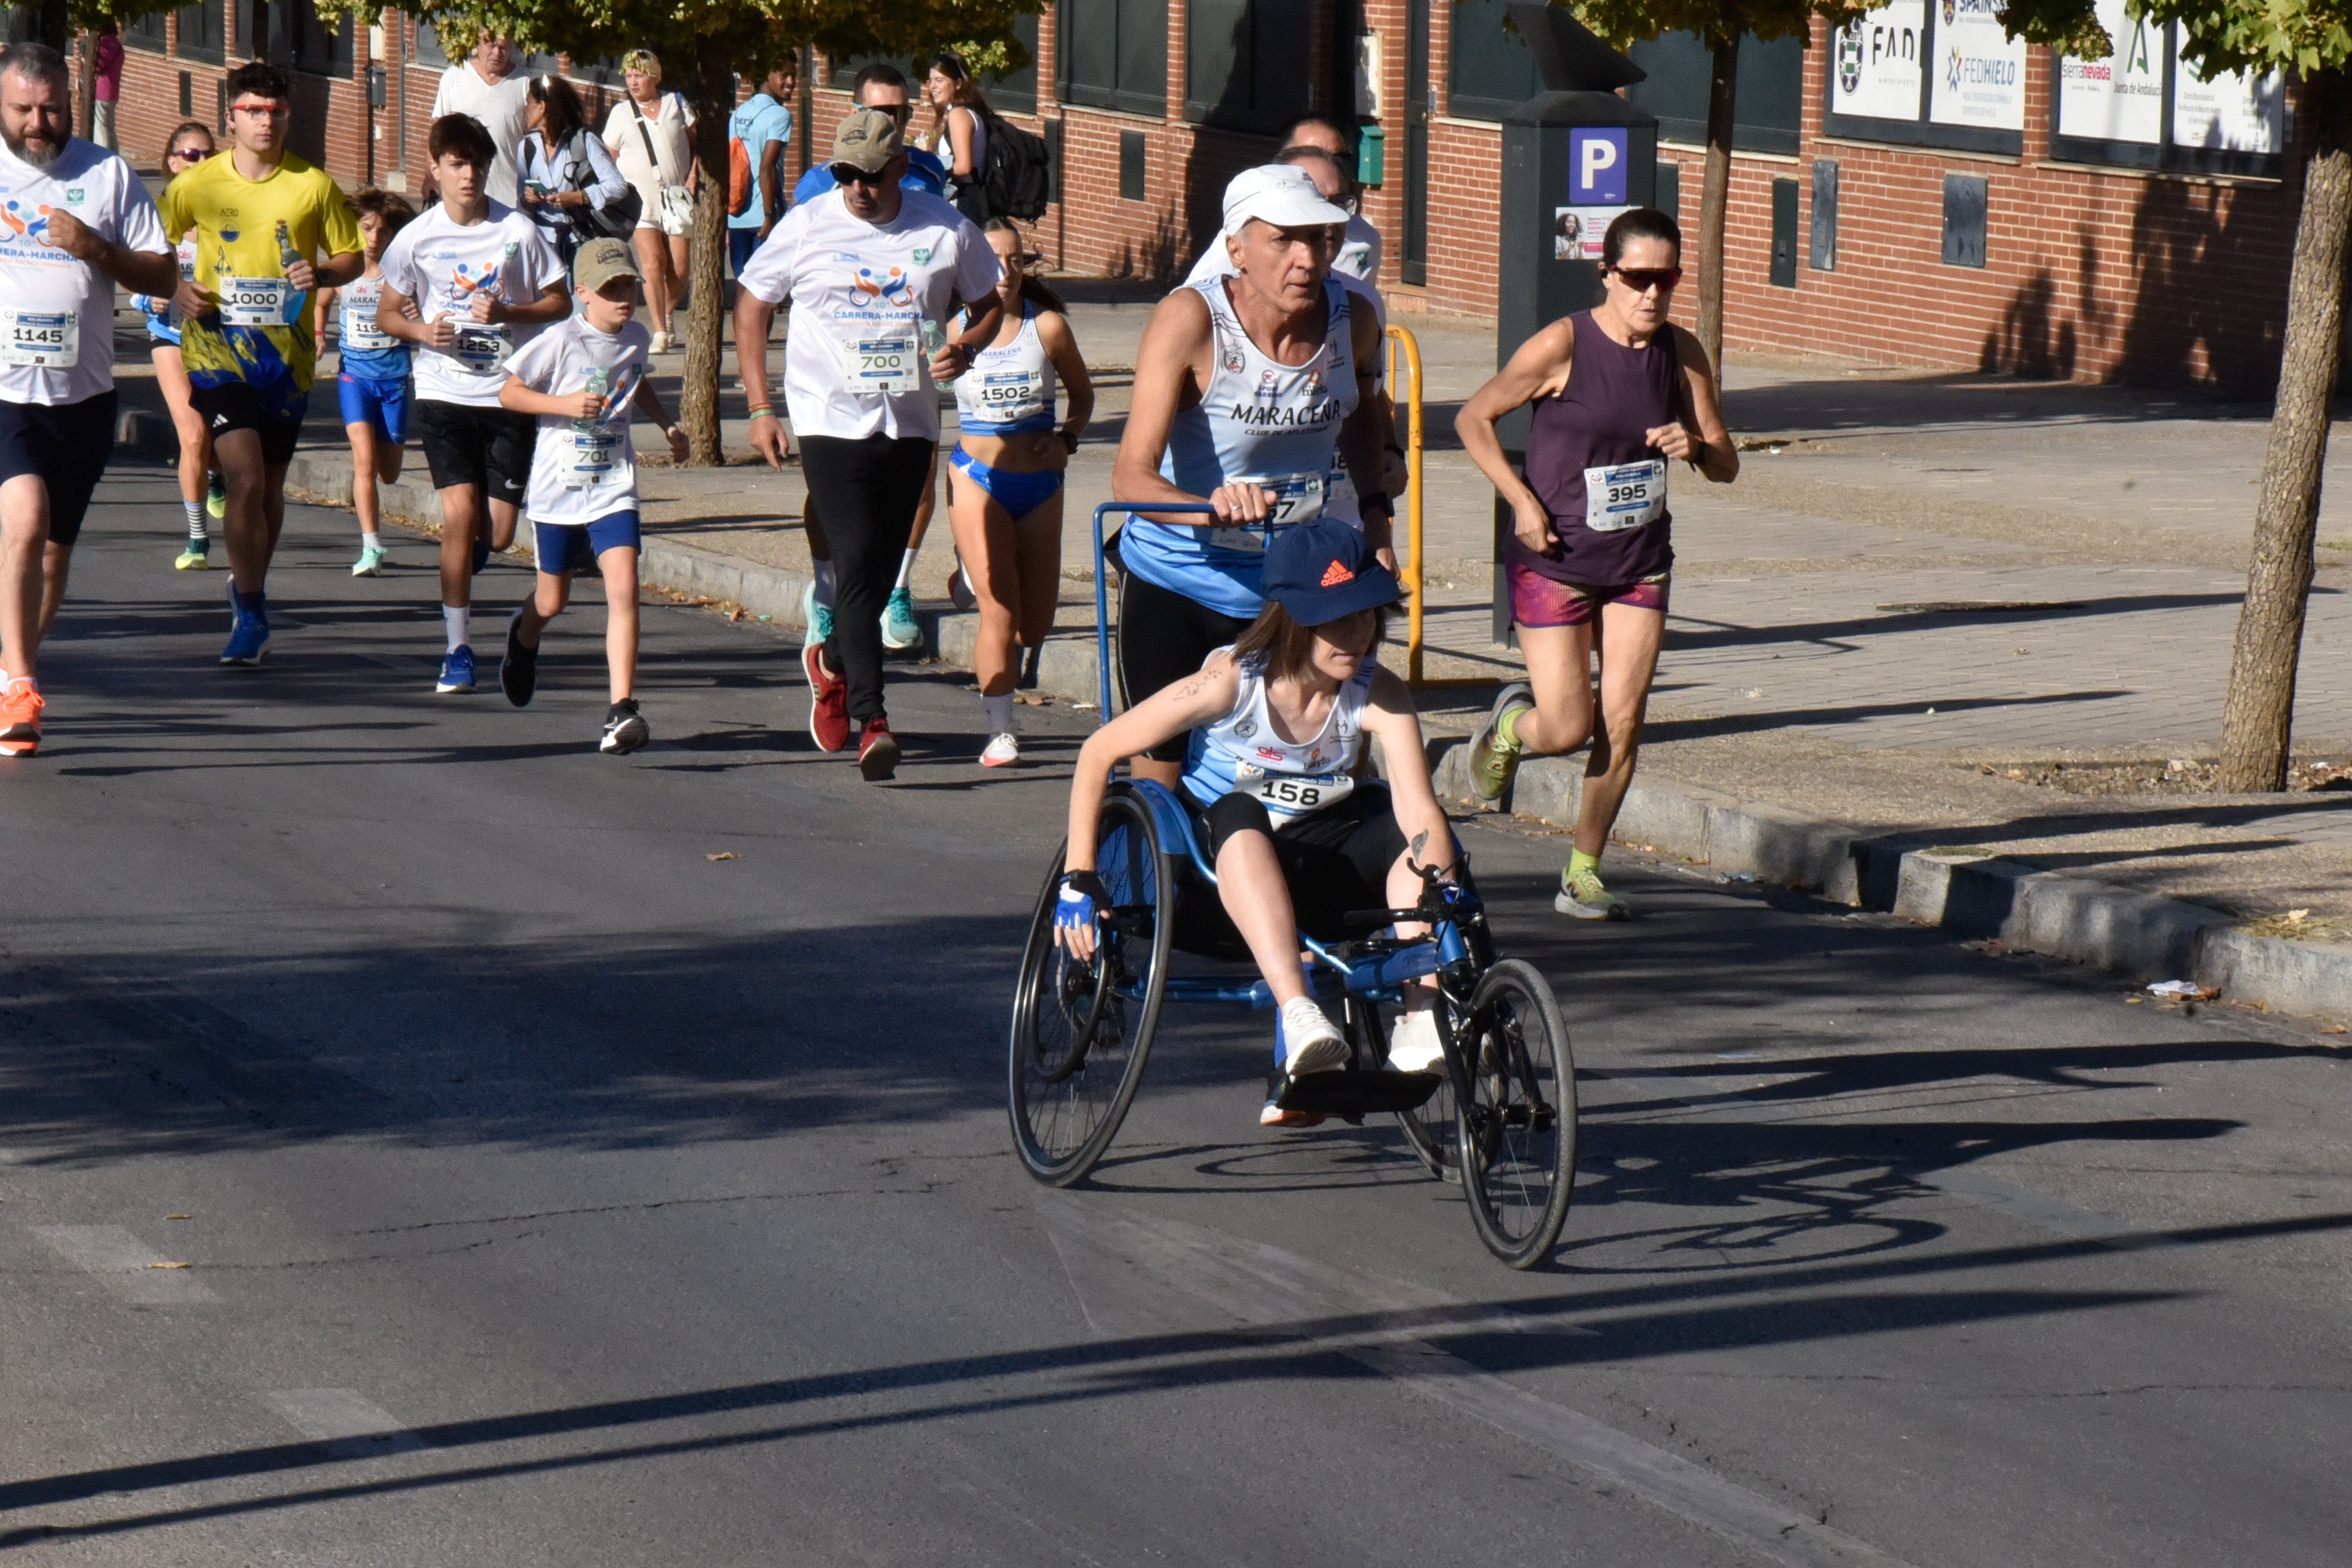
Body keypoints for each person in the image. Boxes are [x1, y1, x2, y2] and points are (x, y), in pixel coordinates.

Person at [1055, 522, 1456, 1126]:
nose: (1359, 632)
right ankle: (1300, 1015)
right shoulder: (1231, 681)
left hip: (1321, 866)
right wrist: (1078, 876)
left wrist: (1444, 893)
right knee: (1241, 809)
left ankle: (1422, 1009)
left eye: (1367, 614)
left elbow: (1420, 810)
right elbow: (1099, 751)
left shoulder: (1379, 692)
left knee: (1410, 830)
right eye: (1338, 618)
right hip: (1212, 871)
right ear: (1294, 617)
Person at [1455, 207, 1737, 920]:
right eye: (1638, 278)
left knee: (1626, 719)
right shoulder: (1563, 344)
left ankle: (1582, 870)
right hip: (1556, 561)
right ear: (1607, 274)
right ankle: (1512, 727)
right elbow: (1473, 416)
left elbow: (1727, 460)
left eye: (1666, 279)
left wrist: (1696, 449)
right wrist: (1520, 500)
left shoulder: (1683, 353)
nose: (1653, 294)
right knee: (1568, 725)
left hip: (1640, 561)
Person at [735, 107, 1000, 781]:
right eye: (846, 174)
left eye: (871, 176)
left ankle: (830, 662)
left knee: (878, 576)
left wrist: (964, 348)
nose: (857, 188)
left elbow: (990, 300)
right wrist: (762, 405)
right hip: (828, 417)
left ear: (901, 169)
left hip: (909, 420)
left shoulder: (943, 227)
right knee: (853, 559)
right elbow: (752, 303)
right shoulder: (809, 223)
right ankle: (874, 720)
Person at [1110, 163, 1391, 790]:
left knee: (1312, 764)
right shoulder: (1191, 320)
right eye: (1282, 240)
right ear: (1236, 248)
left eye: (1318, 239)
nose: (1306, 259)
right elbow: (1129, 476)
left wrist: (1375, 512)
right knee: (1162, 774)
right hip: (1180, 580)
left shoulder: (1356, 319)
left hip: (1293, 589)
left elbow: (1361, 408)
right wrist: (1209, 507)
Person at [0, 42, 175, 757]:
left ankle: (13, 663)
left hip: (85, 394)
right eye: (23, 110)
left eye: (52, 109)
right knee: (26, 518)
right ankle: (19, 683)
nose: (38, 124)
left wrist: (97, 250)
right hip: (6, 389)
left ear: (73, 102)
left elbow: (162, 276)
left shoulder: (106, 175)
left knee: (52, 556)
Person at [161, 59, 365, 669]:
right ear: (232, 117)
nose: (266, 122)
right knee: (247, 477)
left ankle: (248, 584)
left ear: (288, 116)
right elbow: (151, 247)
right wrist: (176, 286)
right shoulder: (197, 186)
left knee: (270, 487)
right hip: (217, 353)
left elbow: (351, 255)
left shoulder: (313, 185)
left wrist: (322, 272)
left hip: (288, 361)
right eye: (253, 111)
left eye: (275, 112)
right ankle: (251, 611)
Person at [375, 112, 570, 694]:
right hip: (443, 394)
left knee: (500, 533)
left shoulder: (519, 231)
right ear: (435, 171)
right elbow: (389, 310)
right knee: (458, 518)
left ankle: (470, 573)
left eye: (478, 166)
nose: (470, 176)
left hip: (507, 394)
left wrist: (511, 312)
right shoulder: (417, 237)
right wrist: (419, 333)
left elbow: (560, 302)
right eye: (458, 165)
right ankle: (457, 649)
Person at [497, 236, 686, 754]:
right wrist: (562, 402)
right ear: (582, 292)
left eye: (628, 283)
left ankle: (621, 710)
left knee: (624, 588)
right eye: (609, 288)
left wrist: (668, 426)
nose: (622, 296)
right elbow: (509, 391)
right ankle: (524, 636)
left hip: (613, 487)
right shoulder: (560, 340)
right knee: (551, 599)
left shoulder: (638, 338)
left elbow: (635, 380)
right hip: (560, 490)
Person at [787, 63, 951, 657]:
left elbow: (953, 255)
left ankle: (899, 586)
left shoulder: (930, 174)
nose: (891, 122)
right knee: (833, 492)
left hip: (912, 349)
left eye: (901, 113)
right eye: (879, 112)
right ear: (853, 112)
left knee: (919, 474)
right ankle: (827, 589)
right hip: (843, 358)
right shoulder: (819, 184)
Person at [947, 220, 1089, 767]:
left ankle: (969, 569)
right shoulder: (952, 325)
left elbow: (1082, 396)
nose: (1004, 272)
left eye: (1015, 261)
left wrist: (1068, 440)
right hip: (976, 479)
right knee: (1000, 614)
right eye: (994, 260)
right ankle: (1000, 730)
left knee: (1035, 625)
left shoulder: (1047, 327)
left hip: (1040, 484)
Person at [128, 120, 226, 571]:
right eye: (192, 156)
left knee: (217, 442)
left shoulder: (228, 216)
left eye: (209, 155)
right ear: (172, 163)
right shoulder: (157, 220)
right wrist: (149, 296)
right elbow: (129, 277)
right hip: (169, 335)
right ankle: (197, 540)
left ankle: (216, 476)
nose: (202, 162)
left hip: (219, 338)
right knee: (192, 434)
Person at [315, 187, 416, 577]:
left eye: (384, 232)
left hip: (394, 380)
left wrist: (415, 311)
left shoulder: (403, 276)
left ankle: (373, 518)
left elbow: (421, 310)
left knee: (388, 473)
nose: (375, 239)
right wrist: (320, 333)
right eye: (368, 229)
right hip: (354, 378)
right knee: (364, 460)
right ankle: (371, 546)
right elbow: (321, 301)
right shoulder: (344, 271)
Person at [602, 50, 693, 353]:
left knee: (680, 270)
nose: (633, 81)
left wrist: (693, 176)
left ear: (654, 76)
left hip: (677, 198)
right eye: (628, 76)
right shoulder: (621, 113)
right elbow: (608, 156)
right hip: (641, 203)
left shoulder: (676, 104)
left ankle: (667, 311)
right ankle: (660, 330)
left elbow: (697, 142)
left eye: (638, 75)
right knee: (653, 264)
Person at [517, 71, 627, 268]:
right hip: (541, 244)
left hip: (580, 243)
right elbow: (523, 205)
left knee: (580, 299)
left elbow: (618, 186)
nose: (525, 110)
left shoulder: (584, 141)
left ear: (542, 107)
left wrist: (578, 197)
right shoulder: (527, 147)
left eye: (529, 103)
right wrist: (528, 199)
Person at [428, 31, 529, 206]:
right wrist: (430, 176)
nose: (497, 54)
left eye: (503, 48)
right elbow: (436, 132)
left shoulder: (525, 83)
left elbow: (534, 141)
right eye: (491, 45)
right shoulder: (455, 76)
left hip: (507, 197)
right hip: (460, 197)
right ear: (478, 44)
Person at [726, 62, 794, 280]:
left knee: (742, 284)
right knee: (764, 290)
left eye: (794, 76)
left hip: (736, 213)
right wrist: (768, 215)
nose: (791, 82)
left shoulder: (738, 113)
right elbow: (767, 167)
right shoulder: (780, 115)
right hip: (762, 215)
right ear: (767, 74)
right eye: (784, 75)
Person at [924, 51, 990, 225]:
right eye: (931, 80)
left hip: (965, 200)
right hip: (967, 199)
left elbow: (964, 166)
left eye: (940, 80)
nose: (932, 86)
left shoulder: (958, 114)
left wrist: (931, 166)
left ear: (958, 83)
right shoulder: (964, 111)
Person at [90, 22, 121, 151]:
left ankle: (103, 153)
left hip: (102, 90)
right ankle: (114, 154)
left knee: (100, 125)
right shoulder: (117, 45)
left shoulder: (105, 44)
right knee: (110, 126)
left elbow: (99, 65)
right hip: (113, 91)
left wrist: (86, 62)